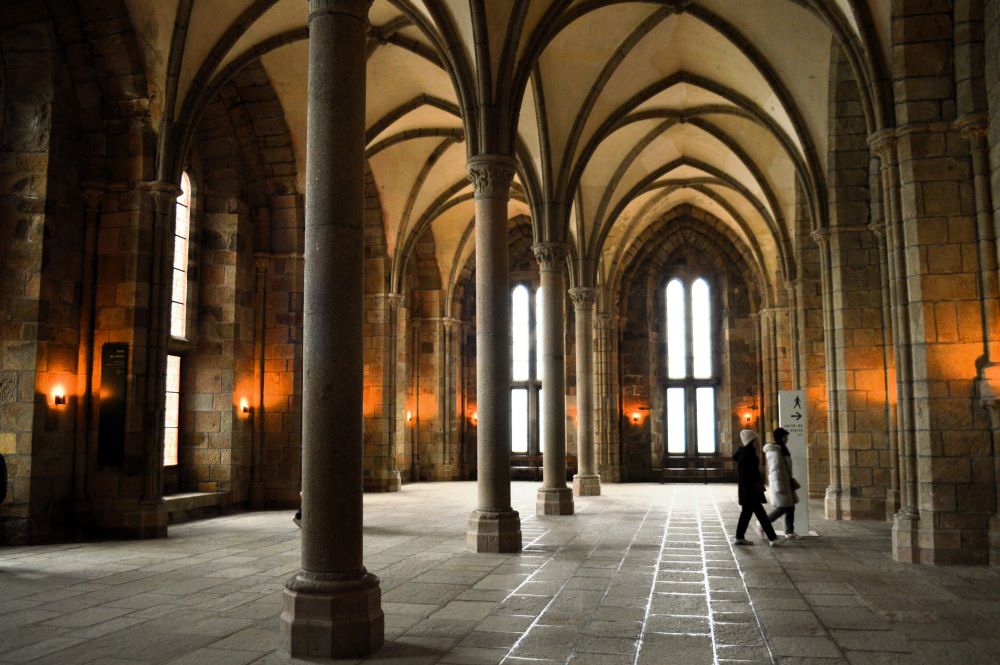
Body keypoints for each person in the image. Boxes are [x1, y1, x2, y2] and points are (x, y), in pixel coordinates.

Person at [732, 429, 781, 547]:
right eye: (756, 440)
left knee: (747, 514)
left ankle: (739, 537)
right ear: (751, 441)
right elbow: (749, 476)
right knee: (760, 514)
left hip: (748, 490)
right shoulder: (748, 456)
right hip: (750, 491)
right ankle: (772, 537)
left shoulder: (746, 454)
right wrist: (755, 487)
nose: (758, 442)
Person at [763, 427, 798, 539]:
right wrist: (779, 485)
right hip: (781, 483)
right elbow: (775, 470)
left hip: (786, 482)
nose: (787, 438)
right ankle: (763, 524)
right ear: (781, 437)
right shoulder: (775, 451)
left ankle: (789, 531)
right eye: (785, 436)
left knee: (790, 507)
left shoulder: (781, 449)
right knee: (783, 507)